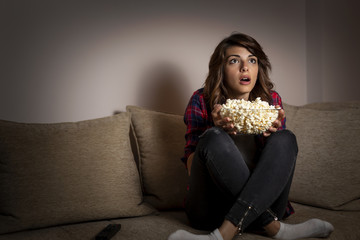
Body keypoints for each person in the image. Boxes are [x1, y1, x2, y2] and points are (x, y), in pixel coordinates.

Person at [168, 33, 334, 240]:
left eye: (252, 60)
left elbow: (277, 170)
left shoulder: (271, 100)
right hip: (210, 210)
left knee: (285, 138)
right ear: (221, 68)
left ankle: (221, 235)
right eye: (234, 60)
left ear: (258, 68)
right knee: (213, 136)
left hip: (264, 202)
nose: (245, 67)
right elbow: (192, 168)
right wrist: (216, 130)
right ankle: (275, 229)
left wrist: (270, 133)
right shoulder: (201, 100)